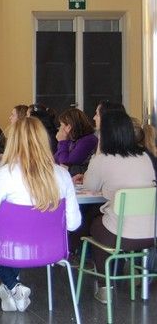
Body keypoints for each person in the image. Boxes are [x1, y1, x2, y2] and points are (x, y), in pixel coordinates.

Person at [0, 117, 81, 312]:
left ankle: (12, 285)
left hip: (10, 249)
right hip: (51, 250)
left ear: (13, 142)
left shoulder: (6, 174)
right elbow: (73, 225)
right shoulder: (62, 175)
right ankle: (11, 288)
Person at [82, 110, 156, 304]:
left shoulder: (103, 158)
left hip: (120, 235)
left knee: (95, 226)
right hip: (150, 235)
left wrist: (98, 152)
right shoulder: (144, 157)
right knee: (105, 221)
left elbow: (89, 186)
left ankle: (105, 287)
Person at [54, 108, 98, 175]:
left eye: (61, 125)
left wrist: (62, 141)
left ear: (69, 127)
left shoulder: (88, 140)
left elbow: (65, 162)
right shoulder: (73, 140)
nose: (59, 128)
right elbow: (56, 159)